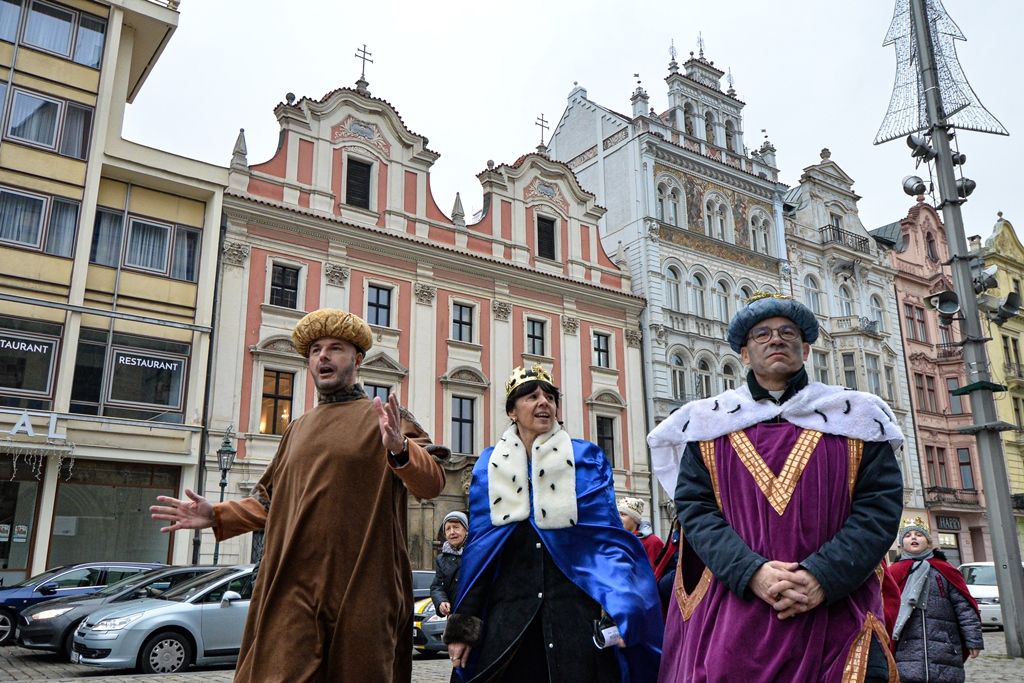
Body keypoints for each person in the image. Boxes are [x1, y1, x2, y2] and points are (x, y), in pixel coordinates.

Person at [150, 308, 445, 682]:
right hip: (294, 584)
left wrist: (400, 449)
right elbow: (269, 502)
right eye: (315, 350)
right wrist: (217, 514)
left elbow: (431, 483)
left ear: (357, 359)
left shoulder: (387, 418)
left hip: (363, 586)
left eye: (335, 348)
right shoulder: (297, 429)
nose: (323, 357)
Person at [648, 292, 905, 683]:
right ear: (744, 353)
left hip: (836, 609)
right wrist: (751, 572)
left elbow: (878, 509)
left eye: (788, 332)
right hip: (737, 613)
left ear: (806, 348)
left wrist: (822, 576)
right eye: (762, 334)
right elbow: (696, 510)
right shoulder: (709, 425)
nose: (776, 340)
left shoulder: (856, 417)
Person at [444, 364, 662, 682]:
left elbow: (607, 541)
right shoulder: (489, 467)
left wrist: (620, 603)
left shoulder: (586, 460)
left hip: (574, 621)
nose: (544, 402)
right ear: (512, 411)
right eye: (532, 397)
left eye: (550, 397)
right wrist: (463, 628)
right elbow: (480, 556)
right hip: (510, 625)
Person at [886, 517, 983, 683]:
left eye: (919, 535)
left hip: (944, 646)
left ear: (928, 542)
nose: (914, 537)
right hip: (905, 649)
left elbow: (964, 608)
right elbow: (884, 609)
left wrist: (973, 639)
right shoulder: (893, 573)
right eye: (908, 535)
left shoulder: (945, 570)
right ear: (901, 544)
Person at [432, 510, 469, 617]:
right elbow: (437, 587)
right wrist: (441, 602)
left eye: (456, 527)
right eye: (448, 529)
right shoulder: (441, 559)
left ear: (466, 530)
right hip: (454, 617)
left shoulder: (477, 553)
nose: (452, 532)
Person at [619, 496, 665, 569]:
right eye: (618, 514)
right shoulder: (617, 540)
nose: (619, 518)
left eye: (623, 514)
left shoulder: (652, 541)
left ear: (634, 518)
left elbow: (656, 571)